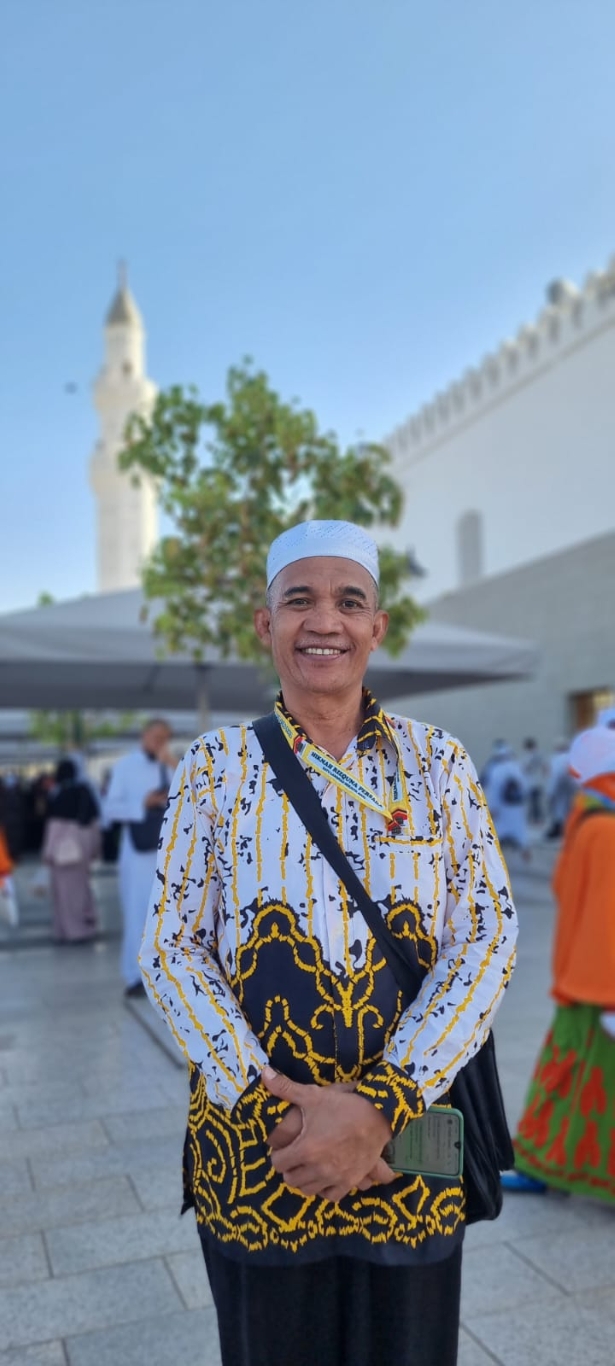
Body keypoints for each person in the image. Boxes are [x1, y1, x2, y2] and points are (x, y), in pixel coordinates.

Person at [139, 520, 518, 1366]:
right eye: (298, 600)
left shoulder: (437, 763)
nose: (324, 622)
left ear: (376, 627)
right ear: (264, 622)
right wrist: (287, 1115)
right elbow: (171, 947)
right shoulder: (214, 767)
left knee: (409, 1345)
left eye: (349, 602)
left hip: (410, 1140)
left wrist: (378, 1107)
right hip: (260, 1148)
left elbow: (486, 935)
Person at [503, 726, 615, 1204]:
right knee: (573, 1077)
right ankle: (543, 1164)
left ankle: (545, 1166)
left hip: (596, 985)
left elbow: (600, 914)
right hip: (592, 983)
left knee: (573, 1077)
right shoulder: (597, 823)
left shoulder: (599, 826)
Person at [104, 718, 174, 997]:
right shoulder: (125, 767)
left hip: (168, 850)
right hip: (137, 853)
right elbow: (110, 809)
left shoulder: (172, 766)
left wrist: (173, 764)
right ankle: (136, 976)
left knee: (168, 914)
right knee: (137, 913)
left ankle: (166, 974)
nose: (159, 743)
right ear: (144, 735)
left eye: (164, 738)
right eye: (155, 737)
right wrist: (142, 804)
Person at [42, 758, 100, 943]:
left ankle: (70, 930)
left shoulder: (59, 794)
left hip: (63, 849)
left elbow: (54, 825)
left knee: (64, 893)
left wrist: (48, 852)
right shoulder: (85, 791)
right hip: (84, 844)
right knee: (82, 888)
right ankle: (86, 925)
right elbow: (95, 821)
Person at [482, 741, 530, 860]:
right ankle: (525, 854)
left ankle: (496, 860)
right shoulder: (517, 768)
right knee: (520, 834)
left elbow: (493, 791)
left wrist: (492, 808)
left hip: (502, 809)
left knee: (498, 835)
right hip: (516, 809)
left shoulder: (496, 770)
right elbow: (525, 788)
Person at [545, 738, 574, 840]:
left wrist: (550, 792)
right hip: (571, 788)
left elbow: (554, 776)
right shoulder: (571, 757)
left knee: (558, 809)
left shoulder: (557, 759)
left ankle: (558, 828)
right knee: (568, 808)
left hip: (559, 787)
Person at [521, 737, 546, 825]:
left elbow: (525, 768)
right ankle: (537, 818)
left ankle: (533, 818)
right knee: (536, 802)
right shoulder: (540, 754)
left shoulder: (528, 756)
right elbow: (545, 768)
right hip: (538, 782)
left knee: (532, 802)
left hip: (530, 783)